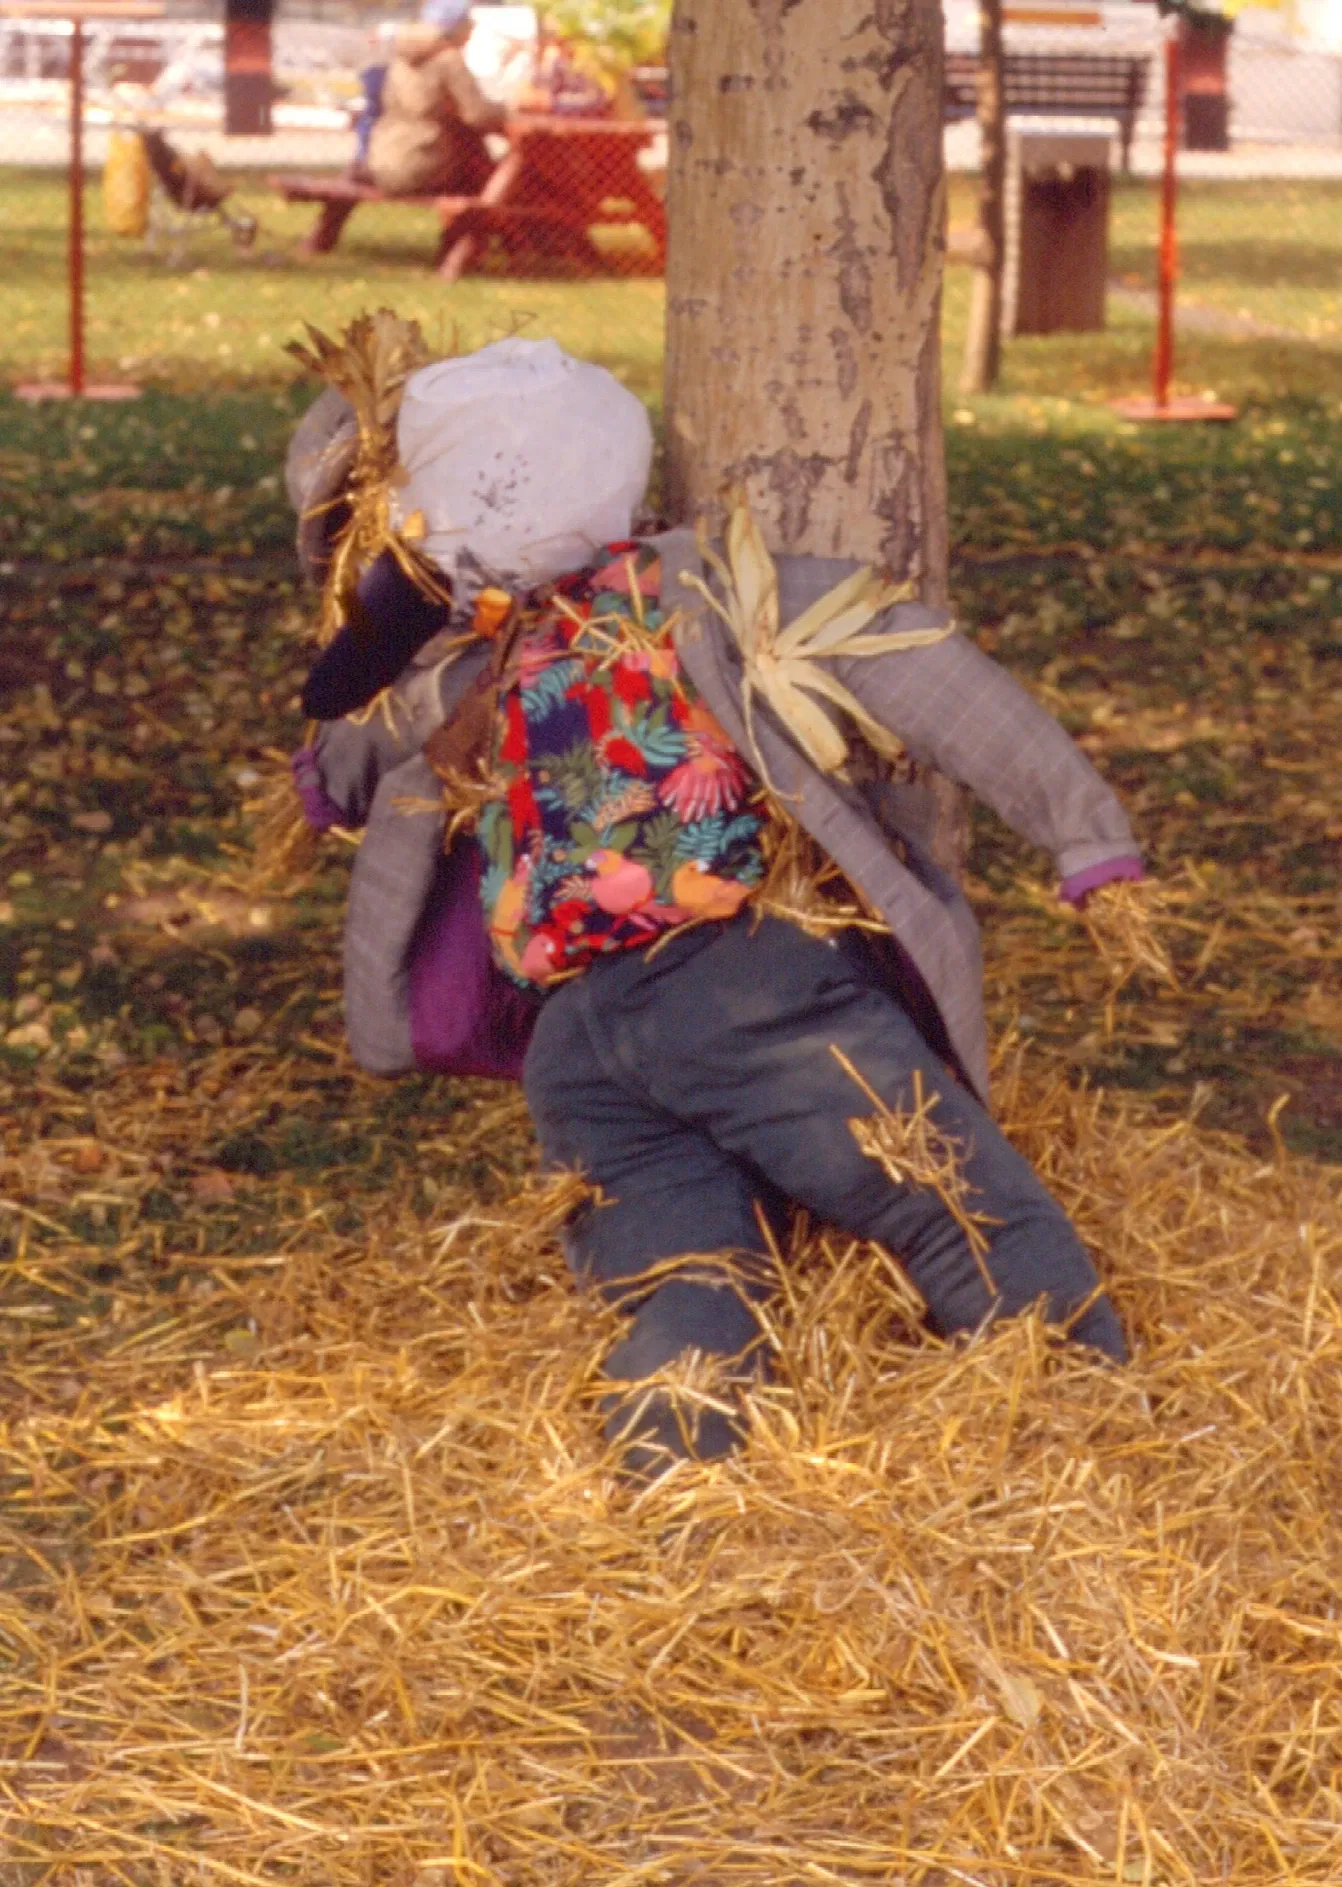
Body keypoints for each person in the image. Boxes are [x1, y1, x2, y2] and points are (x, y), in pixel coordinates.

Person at [286, 338, 1146, 1473]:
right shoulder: (714, 597)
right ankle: (1101, 1438)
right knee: (954, 1206)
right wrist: (1089, 837)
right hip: (741, 993)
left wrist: (323, 771)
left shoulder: (475, 668)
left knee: (682, 1276)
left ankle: (679, 1484)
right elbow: (930, 678)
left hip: (579, 1043)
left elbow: (347, 749)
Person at [365, 0, 506, 202]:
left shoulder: (401, 59)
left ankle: (465, 232)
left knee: (466, 142)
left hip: (383, 163)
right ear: (457, 27)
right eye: (469, 22)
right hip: (421, 167)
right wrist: (509, 111)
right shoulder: (449, 59)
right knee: (482, 163)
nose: (472, 28)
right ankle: (493, 226)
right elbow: (477, 115)